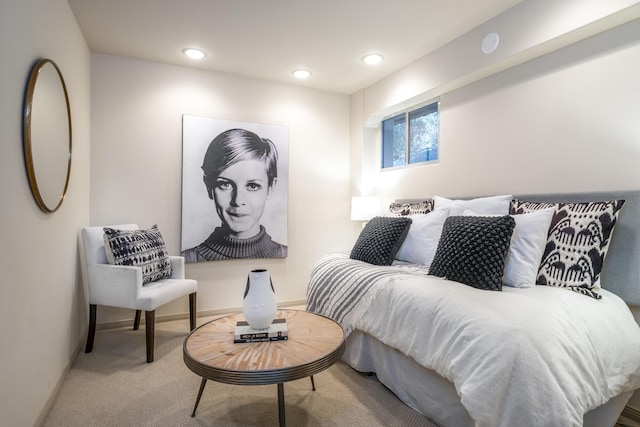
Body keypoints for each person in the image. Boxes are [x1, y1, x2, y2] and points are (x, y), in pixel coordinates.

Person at [182, 128, 287, 261]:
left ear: (270, 188)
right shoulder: (187, 259)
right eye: (225, 185)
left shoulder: (286, 255)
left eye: (252, 186)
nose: (238, 201)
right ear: (209, 187)